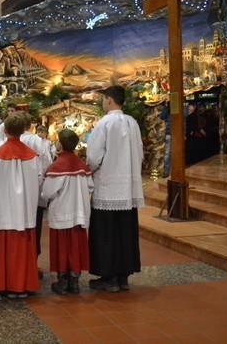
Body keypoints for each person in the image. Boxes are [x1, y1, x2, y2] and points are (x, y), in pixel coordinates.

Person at [86, 85, 144, 292]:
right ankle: (123, 277)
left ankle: (108, 277)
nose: (102, 103)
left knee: (106, 233)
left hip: (108, 187)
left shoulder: (104, 123)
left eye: (103, 99)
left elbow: (93, 157)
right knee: (125, 231)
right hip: (128, 189)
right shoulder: (132, 123)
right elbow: (140, 152)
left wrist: (91, 169)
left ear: (109, 100)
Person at [0, 113, 43, 299]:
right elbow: (39, 179)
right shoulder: (33, 156)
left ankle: (7, 286)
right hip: (26, 207)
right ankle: (23, 286)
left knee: (6, 247)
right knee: (25, 246)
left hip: (5, 206)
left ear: (6, 130)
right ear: (24, 130)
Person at [41, 129, 93, 295]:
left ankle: (63, 282)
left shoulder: (57, 167)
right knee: (76, 246)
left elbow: (48, 192)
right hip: (78, 212)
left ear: (61, 145)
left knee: (62, 246)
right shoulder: (82, 166)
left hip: (62, 211)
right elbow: (91, 187)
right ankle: (75, 281)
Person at [19, 113, 52, 278]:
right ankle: (32, 264)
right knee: (34, 228)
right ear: (30, 125)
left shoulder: (12, 141)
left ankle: (18, 264)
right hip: (35, 192)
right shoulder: (37, 141)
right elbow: (46, 164)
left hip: (15, 195)